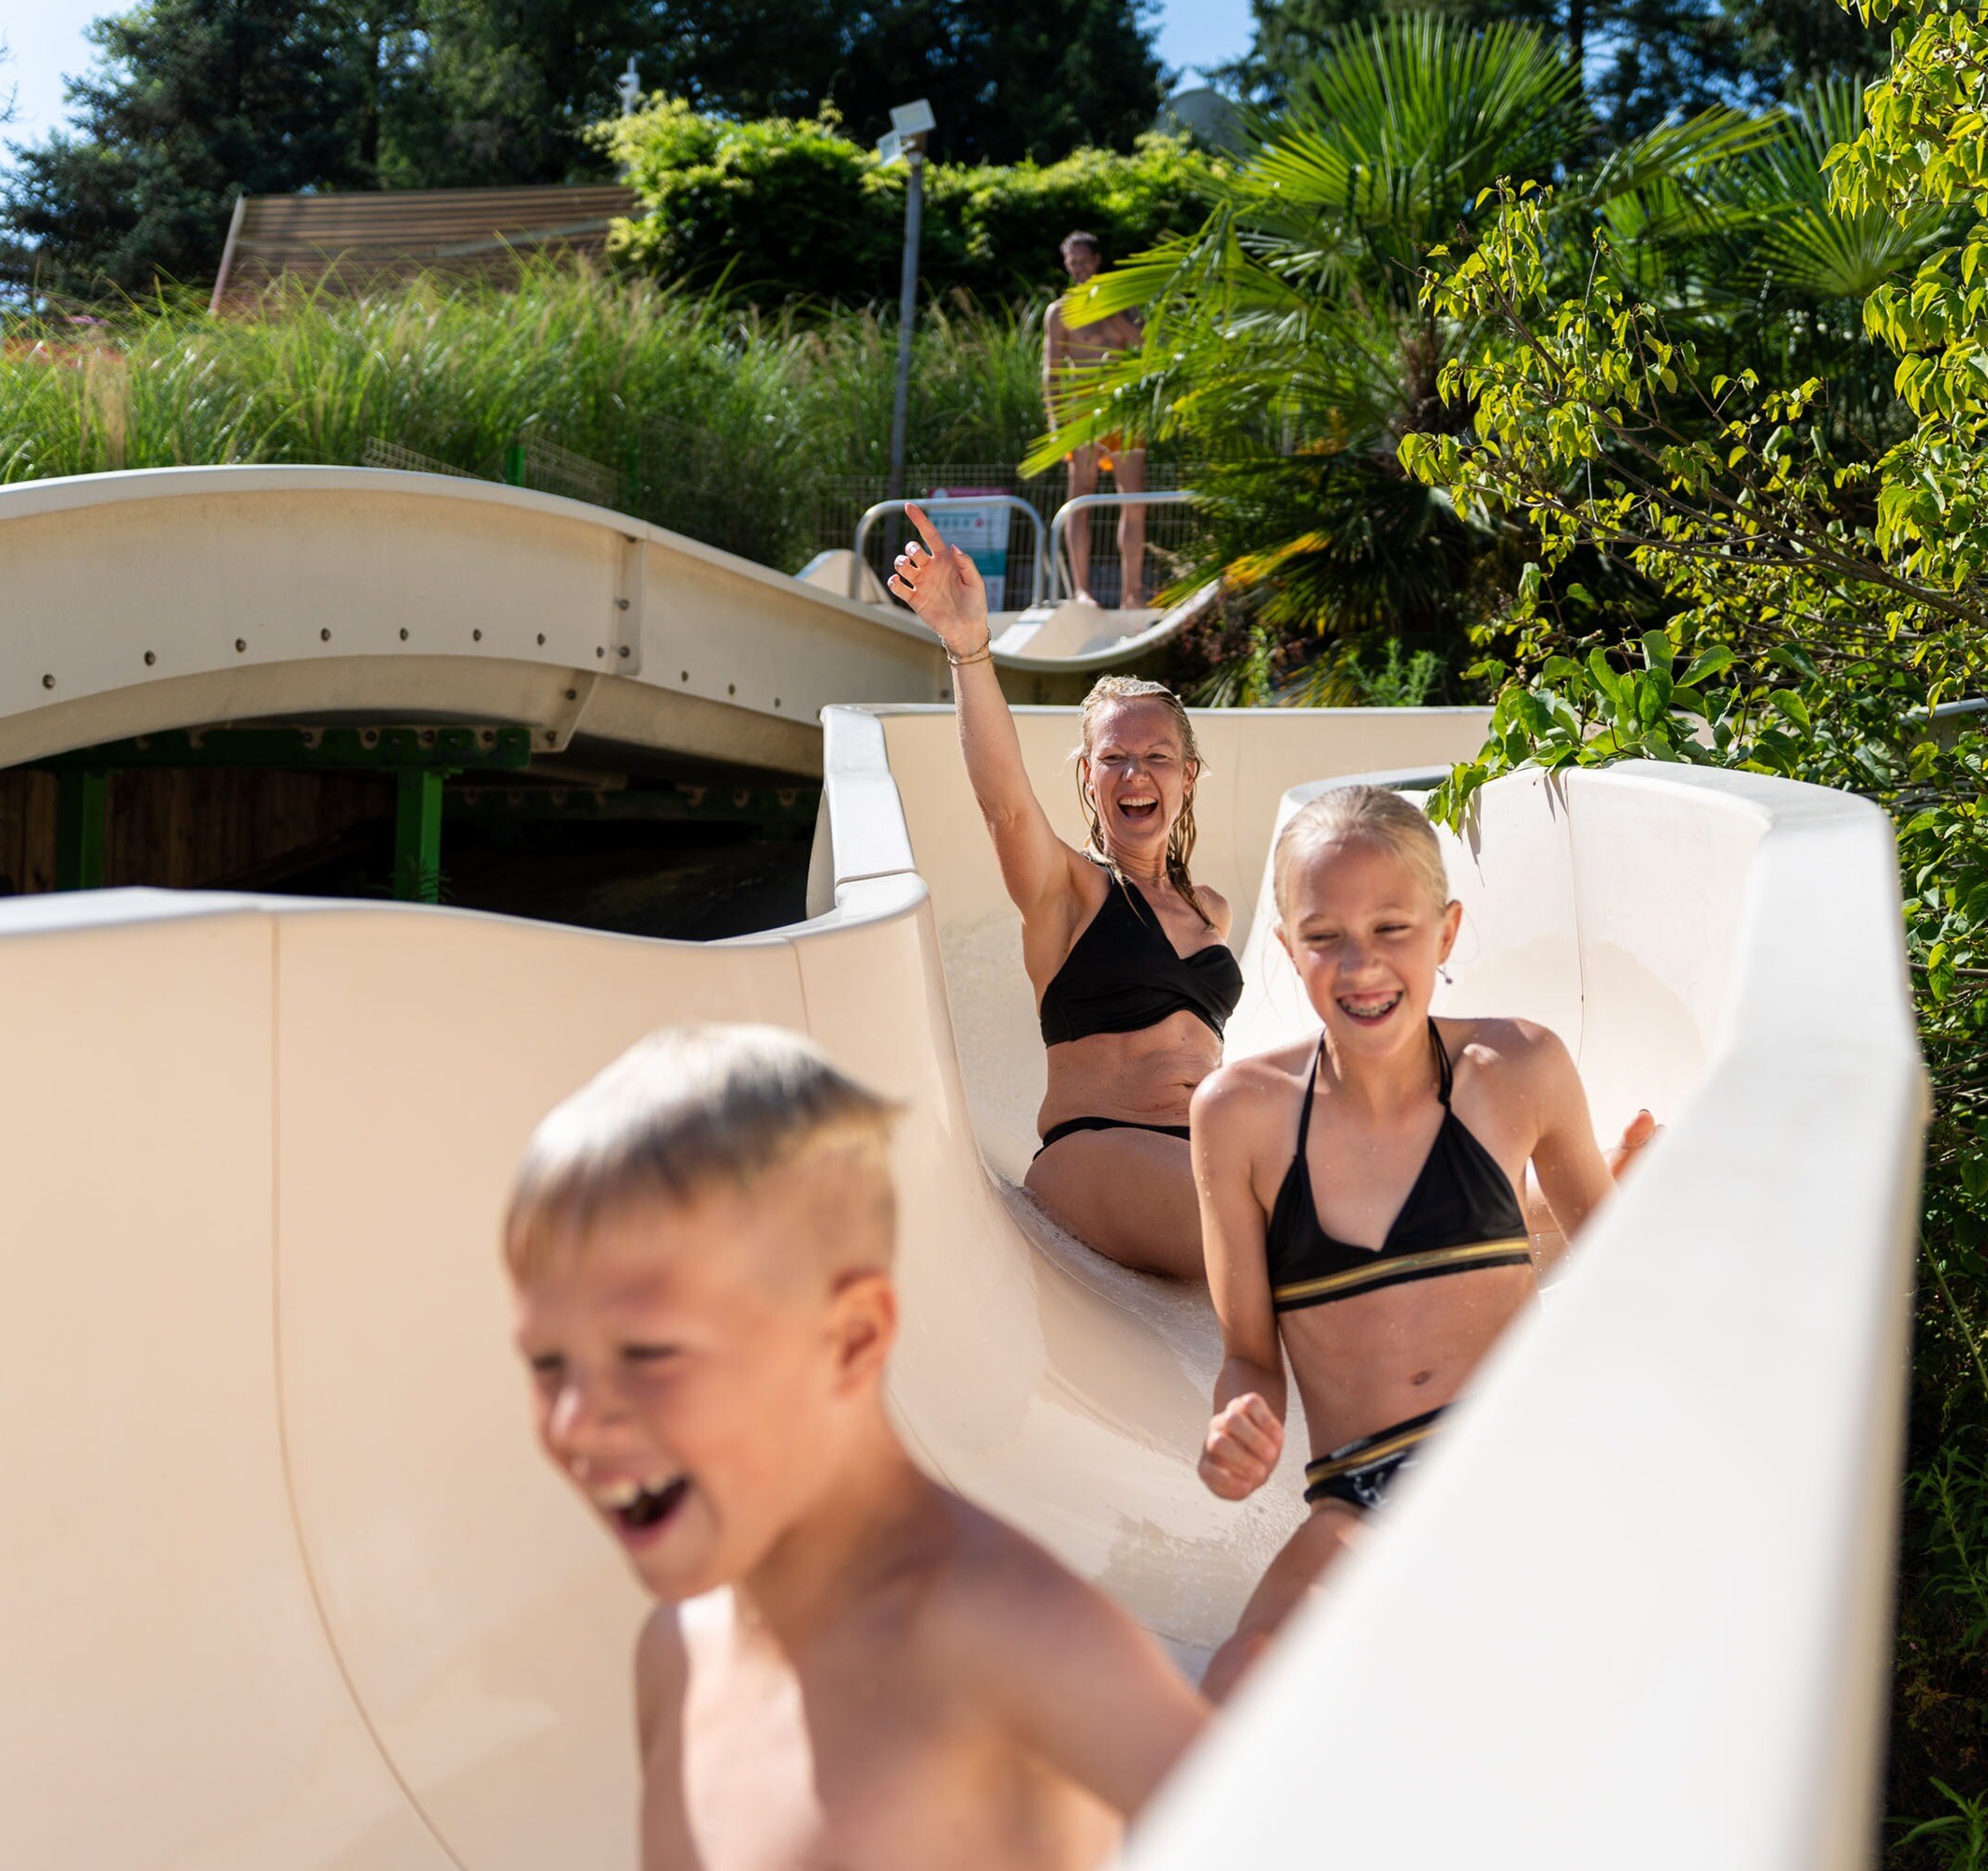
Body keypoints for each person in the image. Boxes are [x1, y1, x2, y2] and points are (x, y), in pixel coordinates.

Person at [505, 1023, 1209, 1870]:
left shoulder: (1015, 1636)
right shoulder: (678, 1654)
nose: (577, 1421)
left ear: (849, 1339)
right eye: (549, 1364)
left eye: (649, 1355)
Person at [1188, 787, 1657, 1699]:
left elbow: (1624, 1274)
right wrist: (1232, 1424)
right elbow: (1249, 1355)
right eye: (1325, 935)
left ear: (1445, 933)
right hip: (1362, 1495)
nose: (1362, 964)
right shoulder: (1237, 1116)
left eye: (1392, 926)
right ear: (1287, 949)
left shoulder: (1517, 1068)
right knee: (1238, 1683)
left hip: (1517, 1464)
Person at [886, 504, 1234, 1281]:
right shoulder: (1067, 891)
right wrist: (970, 649)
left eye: (1157, 756)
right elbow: (1005, 803)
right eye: (1114, 758)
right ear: (1087, 775)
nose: (1136, 774)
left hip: (1207, 1153)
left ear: (1187, 777)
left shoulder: (1210, 911)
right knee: (1268, 1218)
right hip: (1097, 1151)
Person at [1043, 231, 1151, 607]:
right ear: (1066, 264)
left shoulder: (1125, 305)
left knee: (1134, 502)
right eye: (1072, 261)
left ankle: (1132, 592)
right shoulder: (1059, 312)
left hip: (1124, 409)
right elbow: (1051, 371)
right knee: (1080, 500)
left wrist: (1111, 313)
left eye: (1084, 260)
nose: (1079, 267)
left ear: (1097, 260)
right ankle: (1082, 591)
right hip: (1082, 411)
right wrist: (1056, 426)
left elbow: (1146, 348)